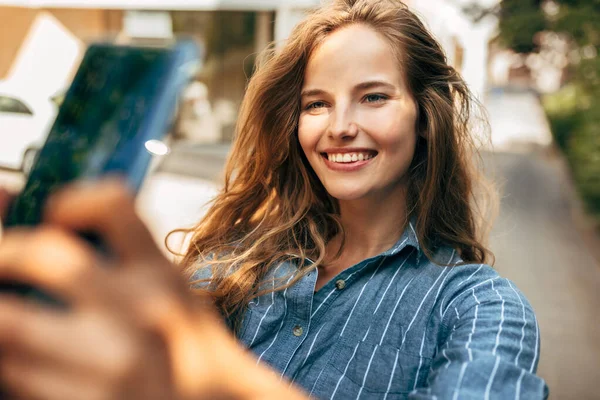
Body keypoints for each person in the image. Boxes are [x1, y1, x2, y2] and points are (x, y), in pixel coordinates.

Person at [0, 0, 548, 399]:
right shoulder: (239, 255)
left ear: (425, 117)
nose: (340, 126)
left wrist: (213, 384)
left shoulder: (478, 308)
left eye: (374, 97)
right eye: (316, 104)